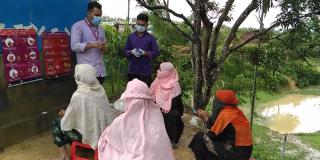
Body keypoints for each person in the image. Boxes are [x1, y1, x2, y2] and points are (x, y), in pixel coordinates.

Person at [98, 79, 175, 160]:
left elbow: (112, 138)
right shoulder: (157, 115)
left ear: (128, 99)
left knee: (107, 145)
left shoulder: (121, 121)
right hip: (160, 156)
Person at [51, 64, 115, 160]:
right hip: (104, 133)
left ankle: (64, 155)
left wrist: (65, 113)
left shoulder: (79, 95)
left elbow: (69, 120)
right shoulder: (100, 89)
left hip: (86, 135)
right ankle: (82, 148)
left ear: (80, 76)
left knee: (57, 123)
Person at [189, 90, 253, 160]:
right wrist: (208, 118)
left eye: (215, 100)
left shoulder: (225, 115)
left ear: (220, 103)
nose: (214, 103)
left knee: (200, 137)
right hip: (245, 153)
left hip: (235, 154)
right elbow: (220, 131)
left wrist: (206, 119)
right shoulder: (236, 112)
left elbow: (210, 135)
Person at [71, 1, 107, 85]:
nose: (99, 17)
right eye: (96, 15)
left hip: (100, 71)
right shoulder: (78, 26)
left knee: (99, 97)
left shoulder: (101, 29)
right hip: (86, 73)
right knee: (88, 97)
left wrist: (104, 47)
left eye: (100, 15)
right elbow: (74, 46)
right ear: (88, 13)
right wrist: (92, 45)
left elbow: (104, 49)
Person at [150, 62, 184, 149]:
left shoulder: (175, 85)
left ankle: (172, 140)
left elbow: (176, 104)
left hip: (171, 108)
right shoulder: (158, 80)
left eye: (160, 70)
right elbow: (150, 94)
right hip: (157, 106)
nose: (158, 71)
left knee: (173, 115)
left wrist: (162, 107)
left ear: (167, 72)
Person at [124, 13, 160, 86]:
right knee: (131, 93)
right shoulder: (131, 37)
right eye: (138, 24)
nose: (140, 26)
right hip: (132, 70)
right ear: (136, 23)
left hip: (145, 72)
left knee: (145, 94)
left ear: (147, 25)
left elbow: (156, 52)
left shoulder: (151, 38)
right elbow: (125, 51)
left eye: (142, 25)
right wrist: (131, 52)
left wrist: (144, 53)